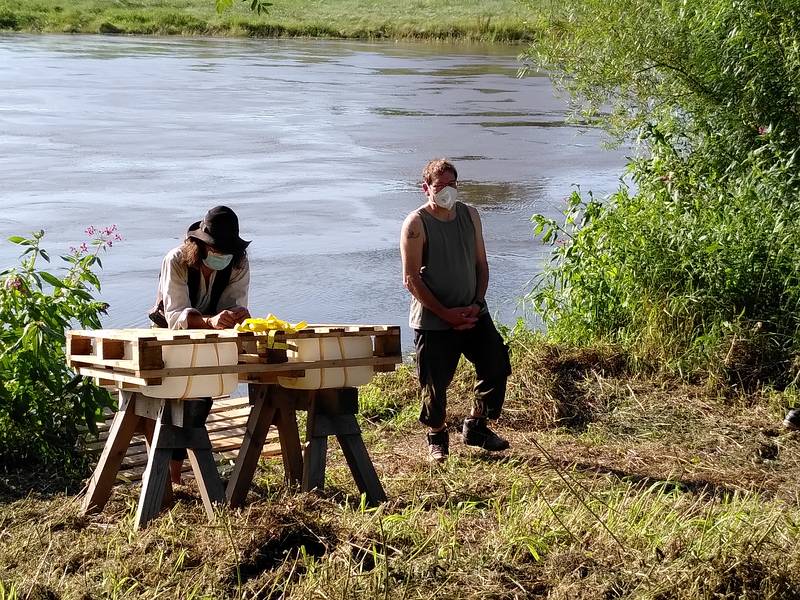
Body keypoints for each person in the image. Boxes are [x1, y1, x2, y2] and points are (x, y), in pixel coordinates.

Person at [400, 158, 512, 463]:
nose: (447, 191)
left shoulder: (471, 215)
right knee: (434, 384)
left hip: (474, 314)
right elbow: (411, 279)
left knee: (496, 365)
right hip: (434, 320)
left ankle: (476, 426)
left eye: (452, 185)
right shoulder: (416, 224)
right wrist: (447, 314)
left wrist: (476, 305)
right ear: (426, 189)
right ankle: (436, 438)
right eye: (440, 186)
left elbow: (481, 266)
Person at [150, 205, 251, 483]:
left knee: (201, 399)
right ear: (201, 246)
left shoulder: (238, 264)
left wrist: (238, 317)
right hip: (170, 337)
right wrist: (210, 322)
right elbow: (175, 316)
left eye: (225, 251)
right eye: (215, 250)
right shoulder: (176, 261)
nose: (221, 256)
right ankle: (166, 476)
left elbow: (235, 303)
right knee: (173, 399)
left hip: (211, 341)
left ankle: (179, 475)